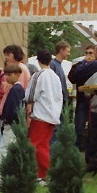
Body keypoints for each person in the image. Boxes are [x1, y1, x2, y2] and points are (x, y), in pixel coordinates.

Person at [26, 50, 63, 181]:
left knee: (35, 145)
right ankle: (42, 175)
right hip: (53, 114)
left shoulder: (38, 75)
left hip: (41, 114)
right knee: (44, 145)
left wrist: (27, 105)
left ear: (38, 60)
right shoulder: (55, 76)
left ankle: (48, 172)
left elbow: (30, 95)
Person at [68, 47, 97, 151]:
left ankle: (90, 146)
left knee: (93, 126)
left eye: (91, 53)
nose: (89, 55)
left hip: (94, 100)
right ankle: (79, 147)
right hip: (82, 99)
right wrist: (84, 64)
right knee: (79, 125)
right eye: (86, 53)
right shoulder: (79, 65)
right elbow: (72, 78)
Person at [0, 63, 26, 177]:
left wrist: (5, 119)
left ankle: (1, 176)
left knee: (4, 149)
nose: (7, 77)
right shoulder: (17, 89)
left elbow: (14, 109)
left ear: (18, 74)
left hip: (12, 125)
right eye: (6, 75)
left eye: (10, 74)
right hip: (15, 125)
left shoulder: (16, 90)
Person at [50, 41, 71, 106]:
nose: (69, 54)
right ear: (61, 50)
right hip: (57, 102)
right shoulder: (53, 64)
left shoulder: (59, 65)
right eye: (67, 51)